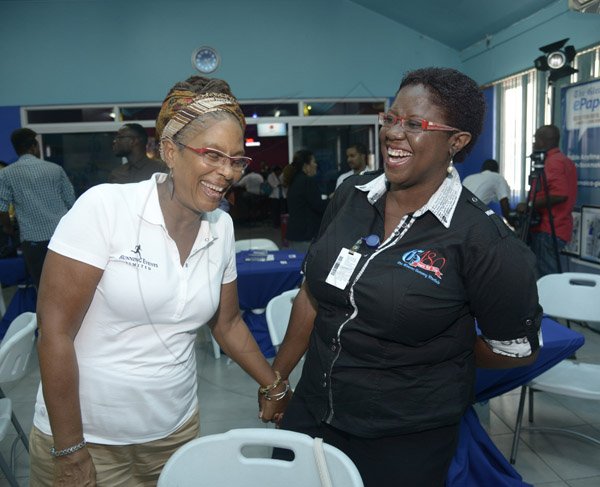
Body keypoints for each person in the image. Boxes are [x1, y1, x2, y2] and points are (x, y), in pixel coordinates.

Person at [260, 67, 542, 487]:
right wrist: (278, 381)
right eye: (390, 118)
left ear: (457, 141)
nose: (394, 132)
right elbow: (311, 296)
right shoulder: (350, 197)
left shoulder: (484, 240)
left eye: (414, 124)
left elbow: (517, 350)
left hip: (405, 435)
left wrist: (446, 348)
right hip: (315, 411)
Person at [29, 76, 288, 486]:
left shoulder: (220, 227)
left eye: (236, 160)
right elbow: (55, 332)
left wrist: (273, 383)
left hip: (174, 432)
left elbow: (228, 323)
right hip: (90, 438)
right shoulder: (105, 208)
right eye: (212, 155)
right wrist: (70, 449)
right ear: (170, 151)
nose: (226, 173)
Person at [0, 128, 76, 288]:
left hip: (33, 242)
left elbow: (2, 208)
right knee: (68, 283)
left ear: (16, 149)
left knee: (43, 288)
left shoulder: (6, 174)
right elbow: (72, 203)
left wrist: (8, 229)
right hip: (62, 236)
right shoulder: (55, 169)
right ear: (34, 147)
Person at [522, 125, 577, 277]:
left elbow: (560, 195)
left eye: (535, 139)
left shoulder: (553, 162)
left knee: (547, 279)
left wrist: (529, 205)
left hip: (548, 229)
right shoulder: (566, 162)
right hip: (558, 227)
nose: (533, 144)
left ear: (542, 140)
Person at [285, 149, 328, 252]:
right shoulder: (307, 181)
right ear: (306, 165)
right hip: (305, 236)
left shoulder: (295, 181)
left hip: (296, 234)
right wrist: (333, 199)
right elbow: (319, 206)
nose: (316, 165)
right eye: (313, 162)